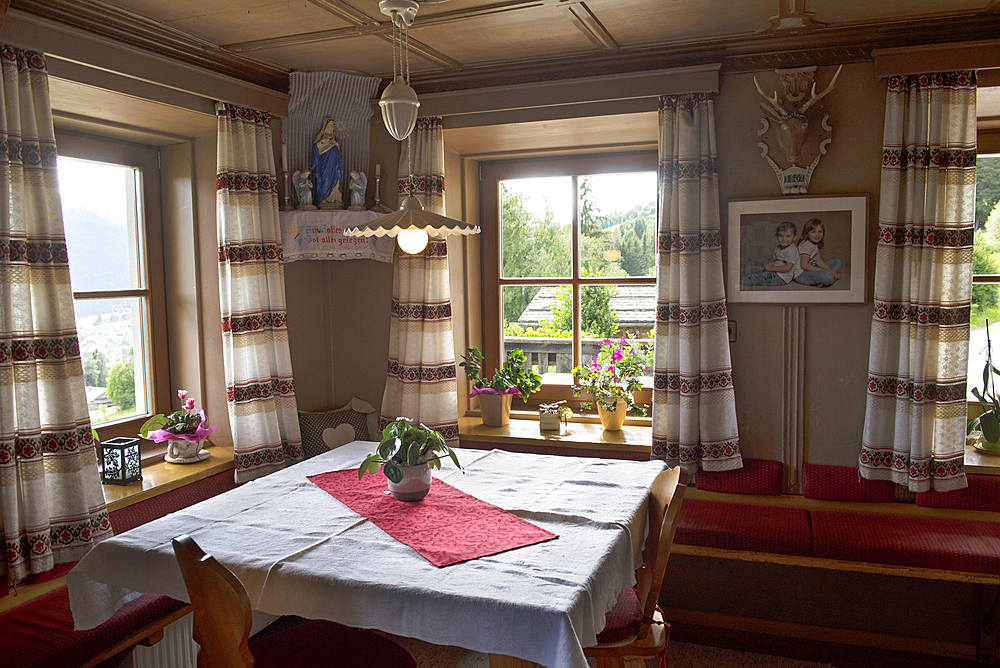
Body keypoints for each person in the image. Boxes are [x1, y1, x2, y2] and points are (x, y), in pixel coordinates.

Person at [739, 221, 802, 288]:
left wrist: (772, 268)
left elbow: (787, 268)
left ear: (794, 237)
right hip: (774, 271)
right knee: (754, 269)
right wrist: (771, 264)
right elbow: (777, 261)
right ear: (777, 236)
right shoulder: (778, 248)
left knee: (756, 277)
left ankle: (737, 283)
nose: (784, 239)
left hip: (781, 277)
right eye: (781, 236)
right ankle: (736, 276)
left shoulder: (792, 250)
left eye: (788, 236)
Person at [793, 218, 842, 287]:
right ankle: (828, 279)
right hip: (801, 274)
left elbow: (819, 261)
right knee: (828, 276)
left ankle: (820, 279)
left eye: (820, 232)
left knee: (836, 262)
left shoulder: (814, 244)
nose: (817, 234)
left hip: (810, 270)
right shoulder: (807, 245)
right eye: (813, 232)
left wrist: (830, 270)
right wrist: (822, 271)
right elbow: (804, 265)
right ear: (807, 234)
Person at [311, 117, 344, 209]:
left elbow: (339, 153)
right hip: (325, 166)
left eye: (333, 125)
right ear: (325, 126)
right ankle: (324, 197)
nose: (331, 127)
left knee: (336, 180)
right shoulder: (321, 137)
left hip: (335, 165)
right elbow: (316, 150)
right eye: (330, 125)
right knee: (326, 181)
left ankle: (336, 198)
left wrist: (336, 145)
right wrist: (322, 142)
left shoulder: (334, 139)